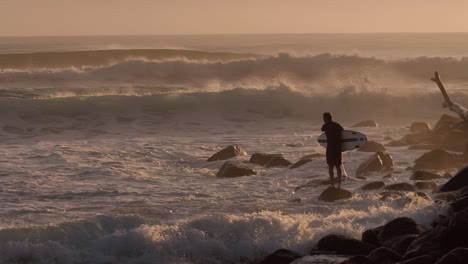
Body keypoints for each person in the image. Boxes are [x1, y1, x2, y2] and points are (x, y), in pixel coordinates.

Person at [321, 112, 344, 188]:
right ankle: (339, 181)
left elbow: (322, 129)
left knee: (330, 166)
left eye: (324, 118)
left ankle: (332, 182)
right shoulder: (337, 125)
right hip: (337, 148)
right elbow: (344, 133)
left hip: (330, 148)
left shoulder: (325, 126)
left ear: (325, 119)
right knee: (338, 166)